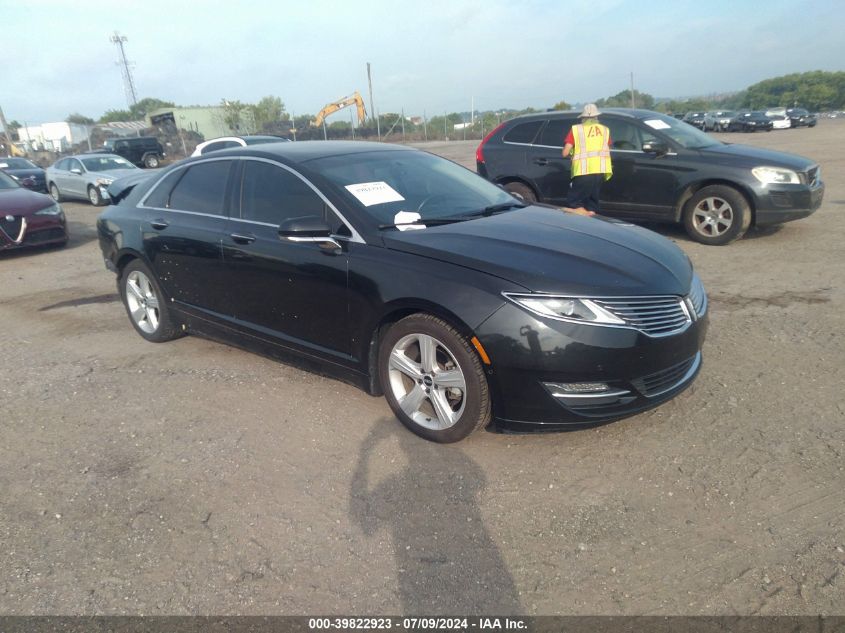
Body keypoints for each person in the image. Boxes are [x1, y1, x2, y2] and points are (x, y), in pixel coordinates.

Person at [561, 103, 613, 214]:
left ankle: (578, 225)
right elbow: (607, 149)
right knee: (592, 203)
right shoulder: (605, 130)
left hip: (583, 171)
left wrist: (572, 154)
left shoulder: (576, 130)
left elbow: (565, 152)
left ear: (583, 117)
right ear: (596, 117)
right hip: (600, 170)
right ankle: (591, 223)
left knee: (574, 203)